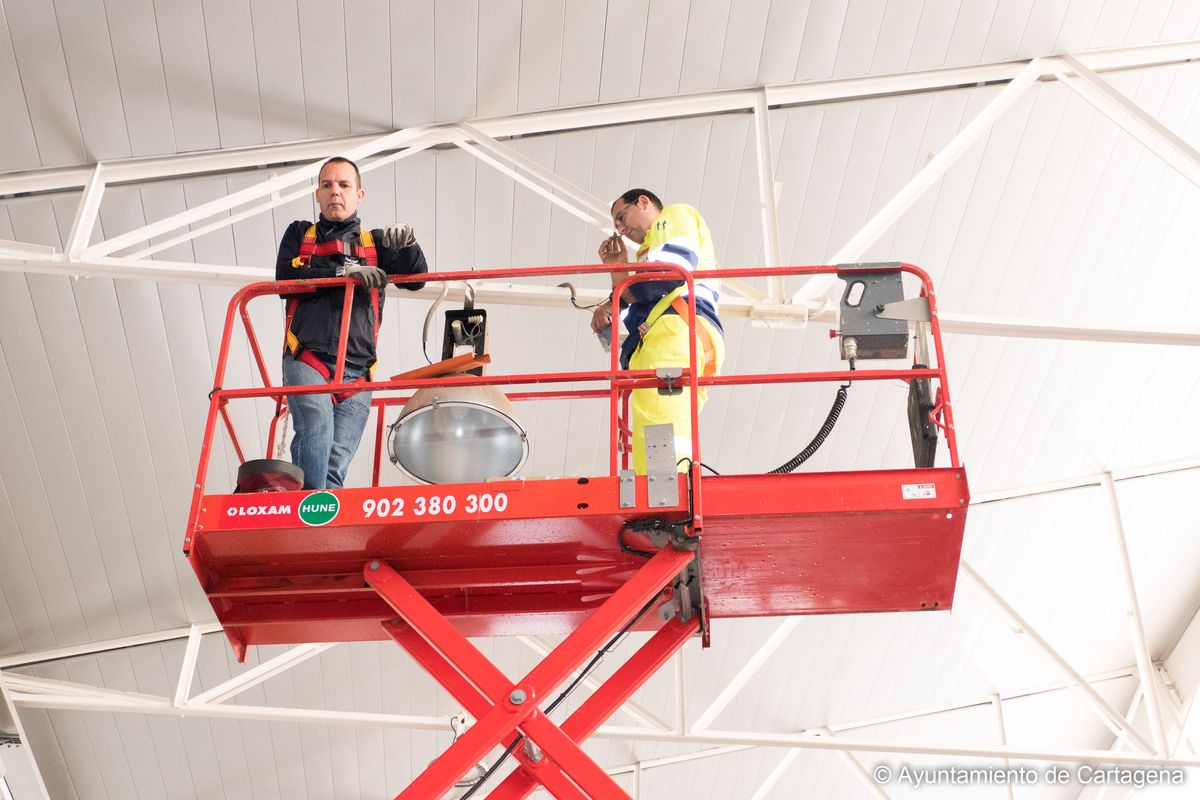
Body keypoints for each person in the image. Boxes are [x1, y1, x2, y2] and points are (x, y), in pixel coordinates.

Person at [275, 156, 428, 489]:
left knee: (334, 469)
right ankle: (309, 514)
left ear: (360, 195)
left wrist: (408, 245)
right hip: (308, 358)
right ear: (317, 194)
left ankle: (319, 522)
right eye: (327, 185)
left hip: (359, 372)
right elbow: (285, 278)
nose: (335, 192)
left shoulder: (374, 245)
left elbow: (415, 280)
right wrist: (343, 273)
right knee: (315, 425)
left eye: (344, 185)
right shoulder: (301, 235)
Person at [591, 189, 725, 473]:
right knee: (655, 417)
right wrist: (618, 271)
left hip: (675, 328)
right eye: (616, 225)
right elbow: (637, 303)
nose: (620, 228)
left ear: (643, 202)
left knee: (660, 414)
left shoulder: (673, 216)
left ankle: (667, 488)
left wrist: (615, 297)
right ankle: (655, 489)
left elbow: (667, 275)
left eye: (621, 216)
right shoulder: (648, 255)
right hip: (675, 332)